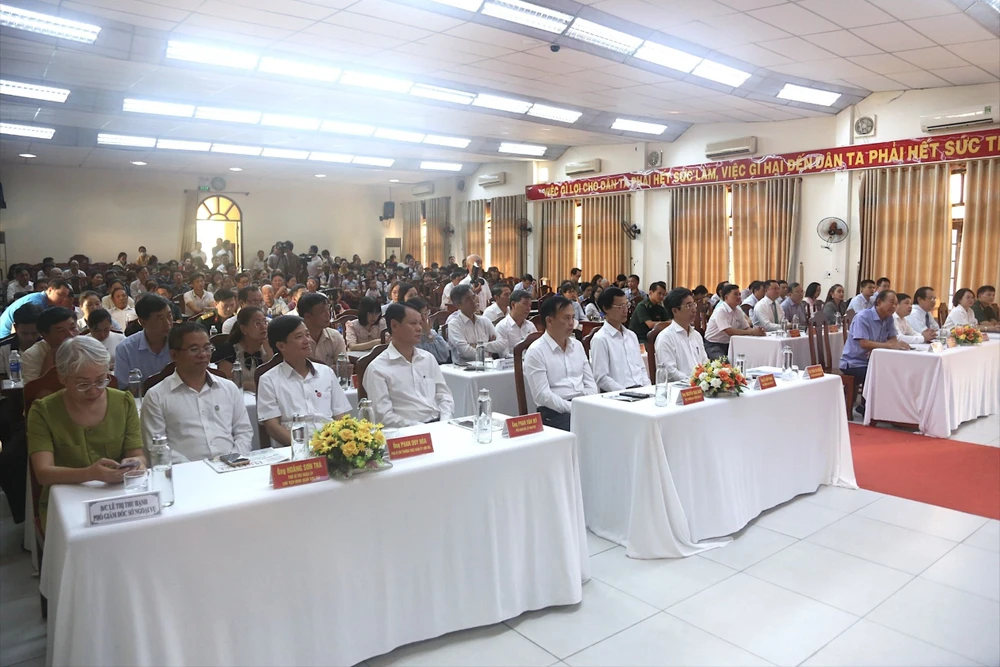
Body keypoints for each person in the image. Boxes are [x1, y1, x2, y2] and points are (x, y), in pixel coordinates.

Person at [27, 336, 145, 529]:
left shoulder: (123, 402)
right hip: (64, 501)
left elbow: (137, 455)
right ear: (63, 378)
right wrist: (89, 474)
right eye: (83, 384)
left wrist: (135, 464)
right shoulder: (43, 411)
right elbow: (43, 473)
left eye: (101, 381)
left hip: (117, 497)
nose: (94, 391)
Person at [139, 323, 253, 463]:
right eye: (194, 349)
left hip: (231, 467)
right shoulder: (156, 396)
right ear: (174, 355)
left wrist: (234, 459)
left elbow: (244, 431)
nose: (203, 355)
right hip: (185, 471)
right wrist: (196, 469)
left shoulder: (229, 388)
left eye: (207, 348)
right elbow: (155, 447)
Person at [257, 316, 352, 446]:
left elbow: (340, 416)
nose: (308, 341)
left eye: (307, 335)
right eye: (299, 337)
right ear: (281, 346)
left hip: (331, 446)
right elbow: (273, 428)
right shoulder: (268, 380)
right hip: (293, 449)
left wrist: (339, 445)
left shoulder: (326, 372)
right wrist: (304, 448)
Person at [363, 303, 454, 427]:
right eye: (413, 323)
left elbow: (444, 396)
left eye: (420, 323)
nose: (419, 328)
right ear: (394, 325)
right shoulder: (378, 369)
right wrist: (423, 429)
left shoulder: (428, 359)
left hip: (439, 425)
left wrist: (444, 421)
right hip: (406, 432)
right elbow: (383, 416)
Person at [522, 295, 597, 430]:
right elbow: (543, 396)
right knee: (589, 428)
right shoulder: (536, 351)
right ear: (549, 321)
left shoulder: (577, 346)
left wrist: (587, 403)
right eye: (566, 318)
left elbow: (590, 383)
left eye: (573, 318)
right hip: (554, 412)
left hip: (583, 404)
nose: (571, 323)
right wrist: (574, 408)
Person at [840, 290, 910, 414]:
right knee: (882, 374)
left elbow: (893, 339)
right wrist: (885, 346)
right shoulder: (863, 317)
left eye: (896, 304)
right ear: (878, 302)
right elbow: (864, 343)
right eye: (891, 302)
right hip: (854, 363)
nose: (894, 306)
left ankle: (891, 409)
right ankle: (870, 408)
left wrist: (881, 347)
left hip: (874, 361)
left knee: (898, 371)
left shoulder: (888, 318)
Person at [589, 287, 649, 392]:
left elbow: (641, 369)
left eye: (626, 305)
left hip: (641, 391)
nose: (626, 310)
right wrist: (625, 393)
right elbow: (601, 378)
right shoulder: (600, 339)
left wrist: (647, 389)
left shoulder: (631, 335)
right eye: (620, 306)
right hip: (619, 394)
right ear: (606, 308)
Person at [114, 294, 174, 386]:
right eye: (160, 318)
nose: (168, 323)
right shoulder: (125, 349)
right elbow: (124, 387)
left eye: (169, 316)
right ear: (143, 322)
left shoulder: (182, 342)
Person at [213, 307, 274, 389]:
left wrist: (269, 350)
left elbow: (275, 378)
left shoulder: (271, 348)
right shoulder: (229, 350)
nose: (263, 327)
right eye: (257, 323)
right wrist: (250, 385)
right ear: (244, 329)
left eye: (265, 322)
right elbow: (225, 381)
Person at [656, 288, 708, 382]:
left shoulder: (696, 335)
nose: (694, 309)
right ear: (675, 311)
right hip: (678, 388)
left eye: (694, 304)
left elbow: (705, 362)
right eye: (689, 305)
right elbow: (670, 372)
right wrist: (693, 381)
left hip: (699, 385)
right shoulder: (665, 337)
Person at [446, 284, 506, 361]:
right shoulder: (454, 324)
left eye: (474, 297)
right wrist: (488, 353)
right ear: (458, 305)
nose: (473, 301)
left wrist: (481, 346)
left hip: (489, 365)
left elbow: (502, 344)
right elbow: (465, 352)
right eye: (468, 299)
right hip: (464, 366)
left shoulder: (485, 321)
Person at [704, 284, 764, 359]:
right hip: (713, 344)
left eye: (739, 294)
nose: (739, 297)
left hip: (730, 343)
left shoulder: (737, 310)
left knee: (747, 357)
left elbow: (746, 327)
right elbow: (729, 331)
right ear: (726, 297)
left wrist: (757, 331)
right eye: (735, 294)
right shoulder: (720, 311)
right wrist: (751, 332)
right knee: (723, 363)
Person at [20, 307, 78, 384]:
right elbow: (34, 389)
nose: (71, 334)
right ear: (45, 336)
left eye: (73, 328)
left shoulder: (88, 346)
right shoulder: (31, 355)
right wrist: (50, 356)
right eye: (61, 331)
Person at [0, 278, 73, 337]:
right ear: (50, 290)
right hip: (6, 335)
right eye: (60, 294)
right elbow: (30, 328)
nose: (63, 299)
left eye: (65, 296)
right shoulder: (36, 302)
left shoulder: (42, 299)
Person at [297, 292, 347, 368]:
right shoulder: (296, 340)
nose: (328, 315)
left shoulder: (335, 336)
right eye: (322, 311)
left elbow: (343, 367)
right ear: (307, 316)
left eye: (328, 310)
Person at [0, 303, 41, 379]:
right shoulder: (3, 348)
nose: (29, 338)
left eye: (34, 333)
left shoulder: (47, 345)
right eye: (24, 333)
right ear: (15, 327)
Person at [408, 297, 451, 364]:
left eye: (427, 313)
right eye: (425, 314)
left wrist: (429, 334)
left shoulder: (431, 332)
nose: (427, 317)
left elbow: (445, 354)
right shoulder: (410, 335)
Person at [494, 289, 537, 357]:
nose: (528, 308)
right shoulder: (502, 327)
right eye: (525, 304)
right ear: (513, 304)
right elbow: (504, 354)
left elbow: (537, 348)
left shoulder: (530, 325)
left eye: (530, 305)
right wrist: (523, 358)